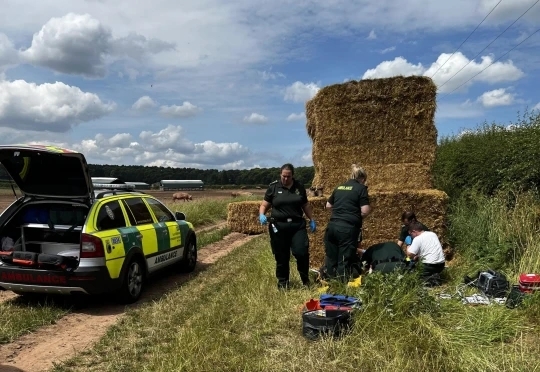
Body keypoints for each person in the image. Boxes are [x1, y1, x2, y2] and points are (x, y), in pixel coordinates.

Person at [259, 163, 316, 289]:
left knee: (301, 253)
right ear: (280, 174)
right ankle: (283, 284)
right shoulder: (273, 187)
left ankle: (305, 281)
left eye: (288, 177)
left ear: (293, 176)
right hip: (278, 227)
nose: (285, 179)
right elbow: (264, 205)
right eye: (283, 176)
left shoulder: (299, 187)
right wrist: (261, 214)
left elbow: (305, 205)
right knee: (282, 256)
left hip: (297, 226)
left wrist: (311, 219)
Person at [324, 164, 371, 282]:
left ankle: (330, 284)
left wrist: (341, 211)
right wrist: (352, 215)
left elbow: (328, 206)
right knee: (344, 259)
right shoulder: (361, 189)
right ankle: (341, 288)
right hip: (347, 228)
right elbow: (365, 211)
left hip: (332, 227)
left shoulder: (339, 187)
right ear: (362, 179)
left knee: (331, 258)